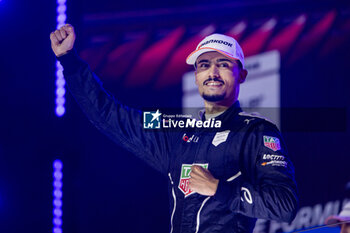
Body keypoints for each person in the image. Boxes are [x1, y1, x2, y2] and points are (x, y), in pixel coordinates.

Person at [50, 24, 298, 233]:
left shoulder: (257, 131)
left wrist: (218, 189)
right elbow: (110, 115)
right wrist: (69, 62)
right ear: (196, 76)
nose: (212, 72)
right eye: (204, 65)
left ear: (241, 75)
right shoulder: (175, 131)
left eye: (223, 64)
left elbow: (285, 205)